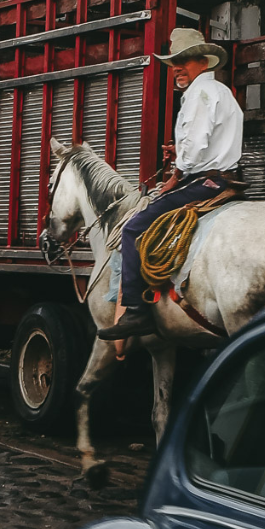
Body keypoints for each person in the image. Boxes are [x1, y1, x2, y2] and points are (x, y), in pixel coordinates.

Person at [97, 28, 243, 341]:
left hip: (203, 182)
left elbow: (194, 152)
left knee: (133, 229)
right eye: (175, 61)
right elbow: (209, 144)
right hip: (224, 177)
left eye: (185, 60)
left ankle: (135, 311)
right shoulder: (222, 92)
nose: (177, 66)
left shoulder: (199, 95)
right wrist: (184, 155)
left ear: (204, 62)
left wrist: (176, 173)